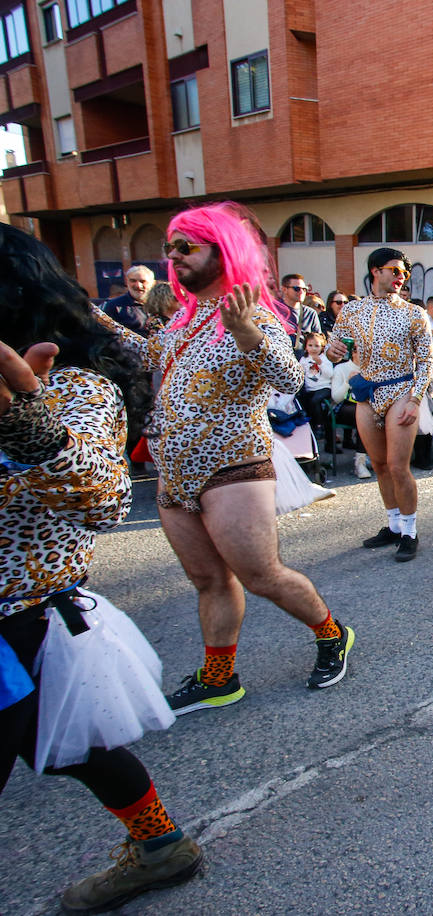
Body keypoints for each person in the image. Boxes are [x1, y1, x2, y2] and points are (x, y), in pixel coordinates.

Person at [0, 225, 203, 913]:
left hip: (20, 616)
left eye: (181, 254)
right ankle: (160, 844)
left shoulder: (71, 387)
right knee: (67, 744)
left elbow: (105, 497)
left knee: (245, 577)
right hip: (182, 472)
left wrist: (28, 425)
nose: (168, 266)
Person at [94, 204, 355, 712]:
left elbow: (289, 378)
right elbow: (150, 357)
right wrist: (92, 320)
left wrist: (246, 333)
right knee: (209, 580)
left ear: (222, 249)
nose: (175, 256)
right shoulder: (184, 319)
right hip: (175, 470)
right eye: (171, 248)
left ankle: (332, 634)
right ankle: (219, 677)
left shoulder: (252, 312)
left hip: (233, 465)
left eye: (186, 246)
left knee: (262, 576)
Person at [325, 248, 432, 561]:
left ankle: (410, 532)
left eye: (404, 274)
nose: (401, 278)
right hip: (367, 395)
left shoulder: (415, 313)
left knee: (399, 467)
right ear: (375, 271)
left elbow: (426, 361)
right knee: (381, 466)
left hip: (401, 391)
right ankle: (394, 526)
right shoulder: (352, 311)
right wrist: (332, 352)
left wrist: (415, 400)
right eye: (395, 271)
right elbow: (336, 351)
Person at [297, 332, 335, 442]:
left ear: (322, 347)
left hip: (324, 387)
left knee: (315, 400)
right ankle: (311, 429)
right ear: (305, 346)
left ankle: (320, 425)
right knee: (305, 402)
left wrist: (321, 364)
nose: (313, 348)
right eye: (310, 345)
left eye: (317, 346)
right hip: (310, 388)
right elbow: (300, 373)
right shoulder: (304, 359)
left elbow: (330, 374)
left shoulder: (325, 358)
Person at [101, 265, 156, 335]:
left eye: (142, 281)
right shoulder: (113, 306)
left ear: (152, 283)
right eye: (133, 281)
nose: (138, 285)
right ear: (127, 282)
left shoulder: (161, 305)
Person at [281, 273, 321, 356]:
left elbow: (319, 340)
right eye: (297, 288)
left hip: (304, 363)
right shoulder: (274, 310)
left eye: (304, 289)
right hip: (281, 362)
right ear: (284, 289)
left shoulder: (311, 313)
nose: (301, 292)